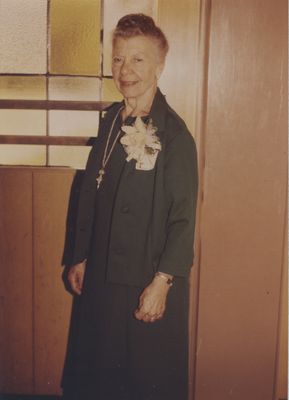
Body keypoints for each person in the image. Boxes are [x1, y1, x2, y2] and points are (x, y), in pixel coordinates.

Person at [61, 13, 198, 400]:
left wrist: (162, 282)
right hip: (102, 276)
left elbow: (184, 219)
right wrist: (81, 256)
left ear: (159, 65)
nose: (125, 70)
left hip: (146, 278)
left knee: (144, 381)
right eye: (119, 58)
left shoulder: (175, 135)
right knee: (99, 378)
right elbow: (91, 191)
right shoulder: (109, 120)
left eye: (138, 59)